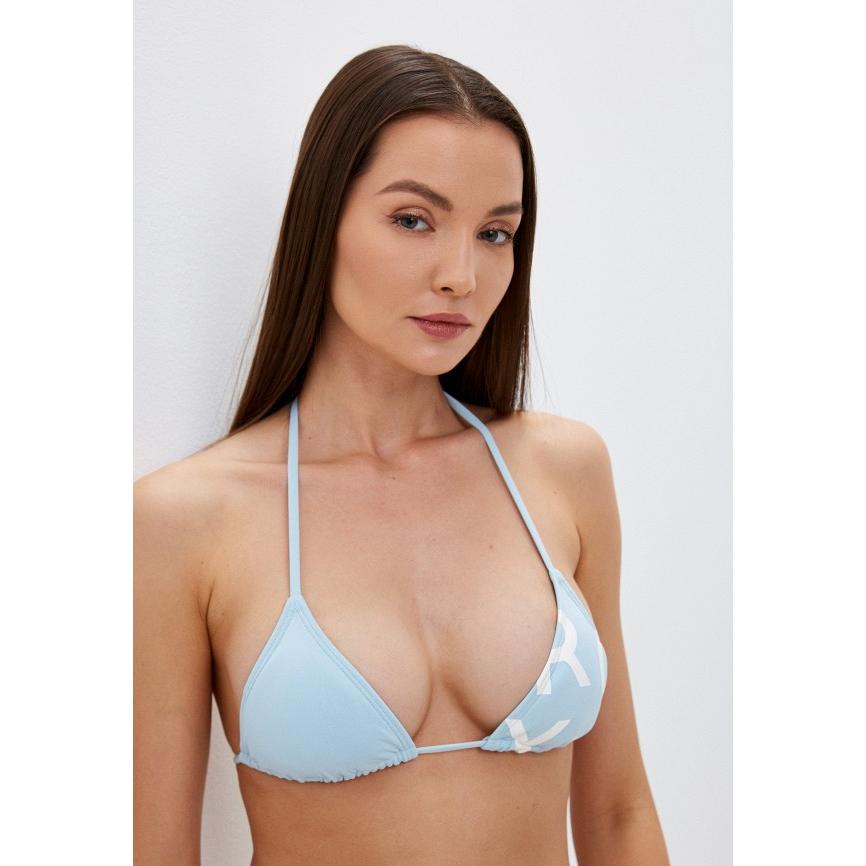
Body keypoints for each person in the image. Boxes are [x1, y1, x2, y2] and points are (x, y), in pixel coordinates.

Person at [134, 44, 669, 865]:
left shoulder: (562, 471)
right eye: (414, 220)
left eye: (496, 232)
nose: (462, 275)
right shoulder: (188, 519)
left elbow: (621, 814)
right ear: (324, 222)